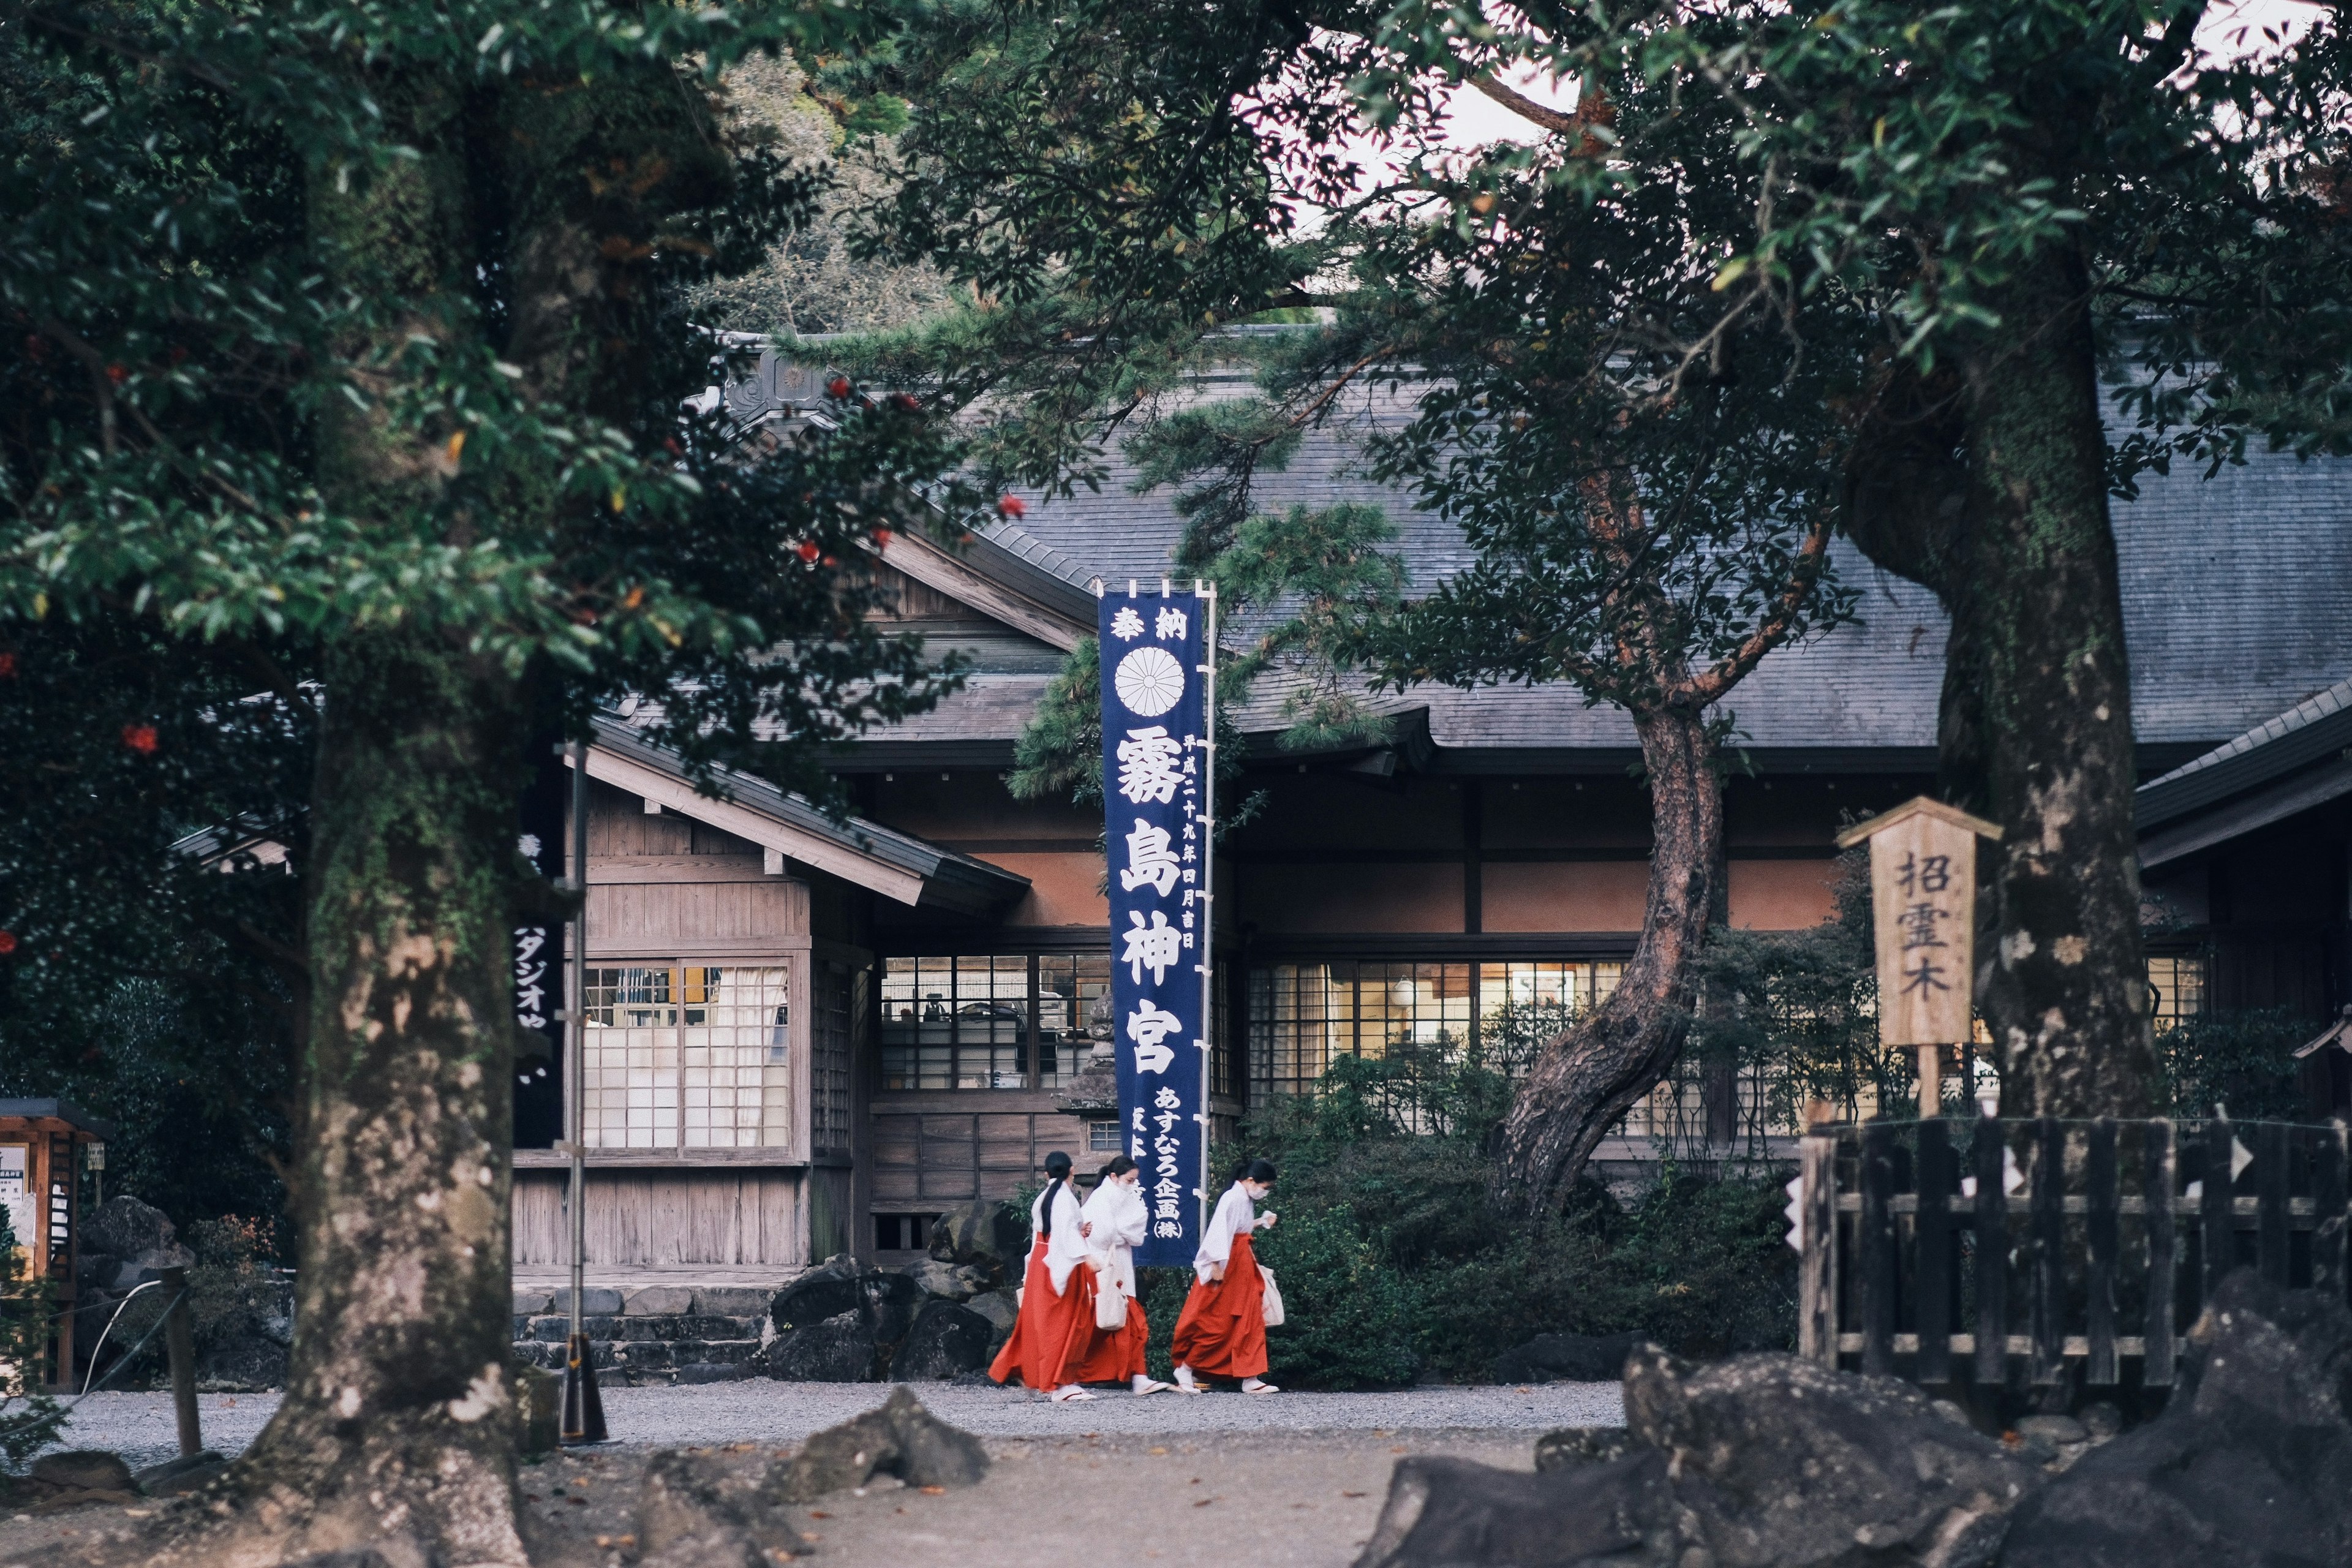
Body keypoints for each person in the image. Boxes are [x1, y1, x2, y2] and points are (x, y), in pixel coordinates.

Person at [987, 1151, 1100, 1402]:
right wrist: (1086, 1256)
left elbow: (1054, 1233)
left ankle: (1047, 1378)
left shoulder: (1045, 1198)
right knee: (1063, 1323)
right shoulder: (1064, 1199)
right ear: (1072, 1171)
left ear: (1046, 1174)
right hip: (1058, 1263)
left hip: (1043, 1261)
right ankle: (1058, 1383)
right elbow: (1064, 1236)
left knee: (1043, 1323)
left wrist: (1079, 1232)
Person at [1170, 1158, 1281, 1395]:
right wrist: (1214, 1264)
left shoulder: (1243, 1198)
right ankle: (1186, 1368)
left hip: (1241, 1261)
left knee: (1250, 1318)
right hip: (1228, 1262)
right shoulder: (1232, 1197)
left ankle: (1250, 1376)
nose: (1266, 1192)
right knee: (1217, 1322)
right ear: (1251, 1180)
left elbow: (1239, 1229)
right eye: (1266, 1187)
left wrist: (1261, 1222)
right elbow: (1220, 1231)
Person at [1064, 1156, 1173, 1396]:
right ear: (1113, 1177)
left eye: (1134, 1180)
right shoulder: (1100, 1198)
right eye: (1128, 1179)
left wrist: (1119, 1231)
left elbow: (1137, 1230)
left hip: (1120, 1262)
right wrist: (1122, 1232)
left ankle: (1139, 1376)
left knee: (1129, 1321)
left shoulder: (1127, 1198)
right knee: (1096, 1324)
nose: (1132, 1184)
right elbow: (1100, 1234)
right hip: (1102, 1265)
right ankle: (1071, 1375)